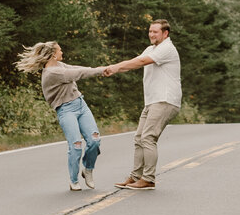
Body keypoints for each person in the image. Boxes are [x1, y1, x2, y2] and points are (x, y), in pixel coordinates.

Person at [16, 41, 111, 191]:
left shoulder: (59, 66)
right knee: (76, 146)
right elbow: (78, 74)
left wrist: (97, 69)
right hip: (66, 110)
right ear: (53, 54)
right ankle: (73, 180)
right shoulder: (53, 73)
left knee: (94, 140)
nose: (62, 52)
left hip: (81, 105)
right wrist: (100, 71)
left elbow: (76, 68)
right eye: (60, 50)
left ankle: (88, 169)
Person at [104, 20, 181, 190]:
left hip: (165, 100)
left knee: (148, 138)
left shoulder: (166, 48)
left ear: (165, 34)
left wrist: (116, 67)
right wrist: (111, 69)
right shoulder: (151, 48)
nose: (151, 34)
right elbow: (133, 63)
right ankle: (135, 176)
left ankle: (148, 179)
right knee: (139, 138)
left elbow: (140, 63)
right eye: (150, 31)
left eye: (155, 32)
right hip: (153, 100)